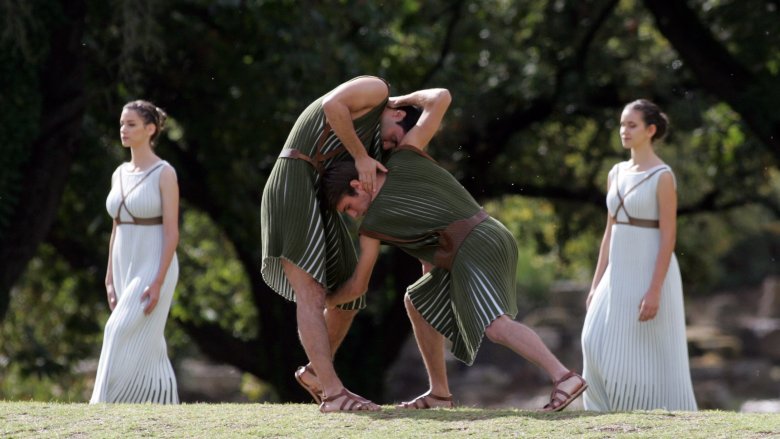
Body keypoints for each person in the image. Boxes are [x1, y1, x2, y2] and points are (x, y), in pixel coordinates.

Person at [322, 148, 587, 412]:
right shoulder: (403, 159)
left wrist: (323, 300)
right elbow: (437, 104)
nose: (353, 215)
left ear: (357, 185)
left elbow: (359, 286)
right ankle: (439, 393)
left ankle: (565, 377)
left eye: (348, 207)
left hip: (475, 245)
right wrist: (405, 102)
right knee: (415, 300)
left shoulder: (374, 222)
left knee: (496, 326)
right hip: (488, 235)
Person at [260, 75, 451, 412]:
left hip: (320, 195)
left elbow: (443, 99)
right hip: (294, 179)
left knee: (351, 291)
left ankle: (316, 373)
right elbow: (332, 105)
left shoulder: (380, 151)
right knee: (311, 291)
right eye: (394, 139)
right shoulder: (377, 90)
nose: (391, 148)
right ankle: (334, 395)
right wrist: (395, 104)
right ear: (395, 113)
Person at [580, 99, 697, 411]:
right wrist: (595, 284)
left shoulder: (663, 176)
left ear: (651, 130)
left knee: (643, 350)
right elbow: (609, 231)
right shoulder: (615, 172)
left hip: (650, 272)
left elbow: (669, 236)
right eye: (622, 124)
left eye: (631, 125)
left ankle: (649, 413)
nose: (624, 130)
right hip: (617, 271)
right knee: (592, 339)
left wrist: (655, 289)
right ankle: (603, 412)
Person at [91, 100, 180, 404]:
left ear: (150, 129)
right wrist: (108, 279)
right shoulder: (118, 173)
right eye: (121, 124)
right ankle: (161, 403)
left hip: (154, 261)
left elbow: (172, 232)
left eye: (131, 124)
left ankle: (100, 405)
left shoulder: (164, 173)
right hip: (122, 262)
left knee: (116, 330)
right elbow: (116, 228)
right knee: (147, 342)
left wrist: (158, 280)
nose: (123, 130)